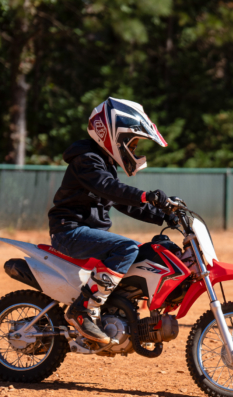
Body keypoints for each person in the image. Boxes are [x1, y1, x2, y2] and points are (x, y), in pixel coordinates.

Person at [48, 97, 176, 344]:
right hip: (69, 231)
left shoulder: (104, 163)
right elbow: (108, 188)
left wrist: (164, 216)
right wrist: (146, 196)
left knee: (142, 253)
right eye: (133, 142)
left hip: (85, 233)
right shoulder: (87, 159)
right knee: (126, 247)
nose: (135, 149)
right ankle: (82, 310)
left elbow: (123, 202)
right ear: (115, 137)